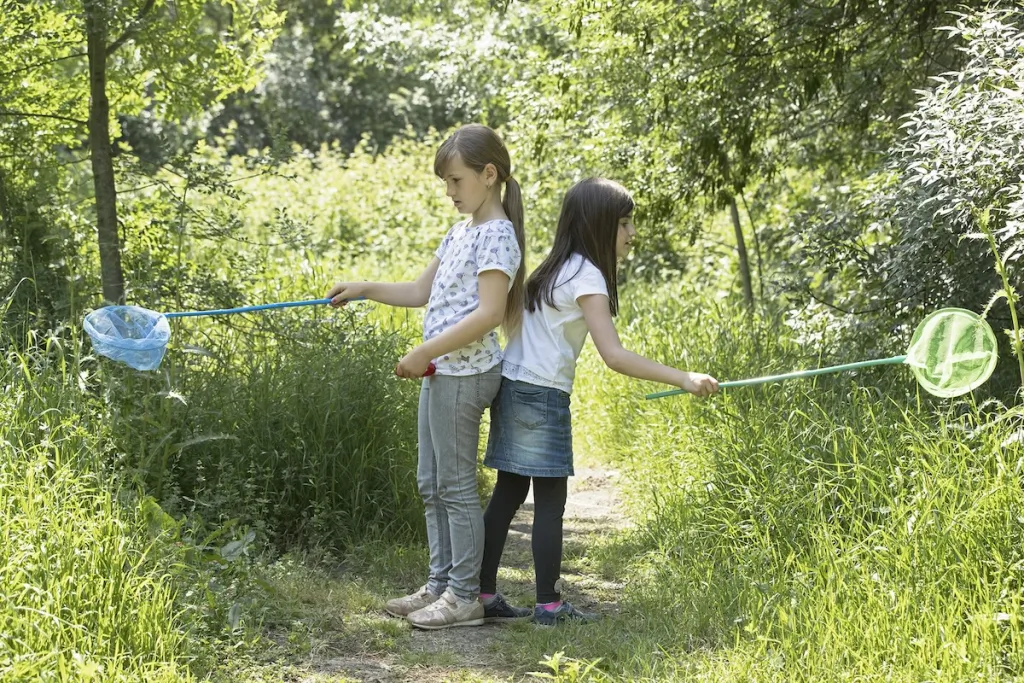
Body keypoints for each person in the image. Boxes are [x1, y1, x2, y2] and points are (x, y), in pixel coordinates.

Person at [479, 177, 719, 625]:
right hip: (541, 395)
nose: (631, 234)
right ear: (598, 223)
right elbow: (614, 355)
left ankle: (483, 594)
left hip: (512, 387)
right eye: (624, 223)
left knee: (507, 496)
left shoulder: (553, 269)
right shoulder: (587, 275)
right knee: (549, 504)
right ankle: (548, 606)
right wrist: (683, 377)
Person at [326, 124, 525, 629]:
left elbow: (487, 314)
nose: (450, 192)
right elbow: (420, 291)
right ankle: (439, 584)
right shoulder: (459, 231)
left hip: (464, 374)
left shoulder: (498, 236)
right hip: (443, 369)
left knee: (455, 487)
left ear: (488, 174)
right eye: (446, 183)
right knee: (430, 482)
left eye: (456, 181)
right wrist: (364, 287)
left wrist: (423, 352)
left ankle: (464, 597)